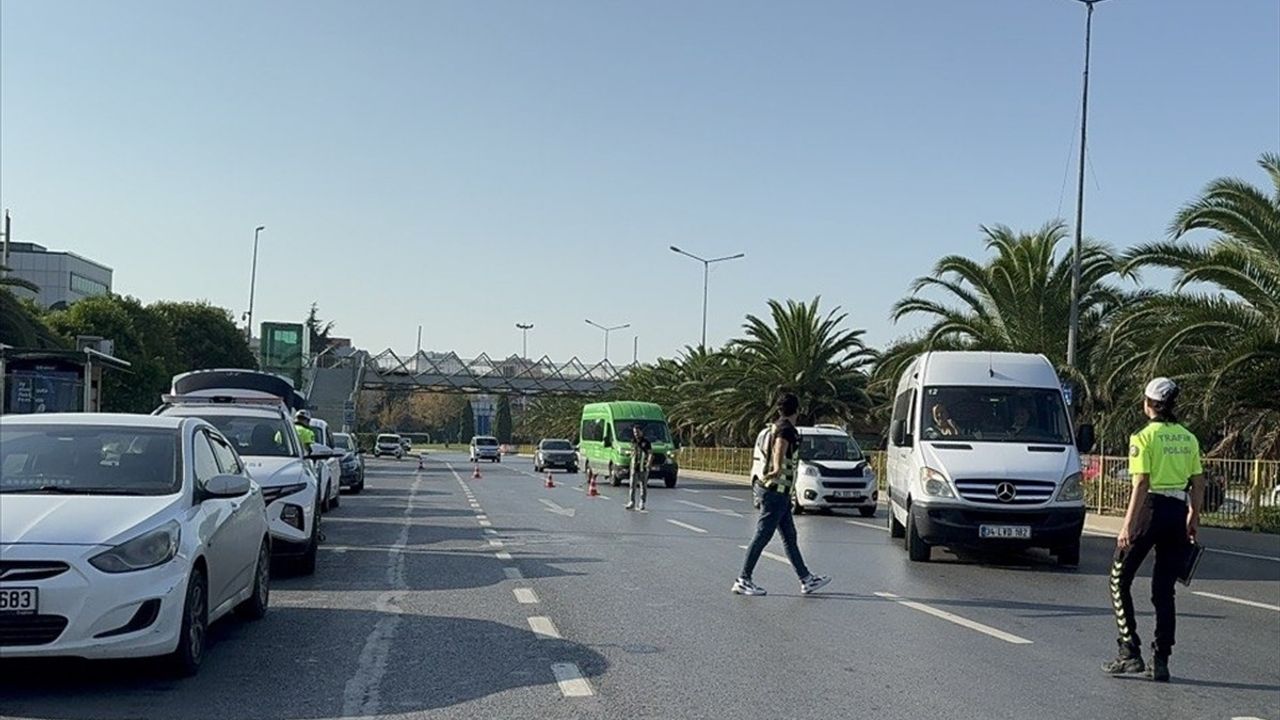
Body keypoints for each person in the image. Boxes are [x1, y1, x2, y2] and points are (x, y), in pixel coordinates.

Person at [1102, 377, 1203, 683]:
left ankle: (1129, 651)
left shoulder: (1143, 437)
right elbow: (1198, 482)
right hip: (1176, 513)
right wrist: (1193, 516)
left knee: (1119, 579)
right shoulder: (1188, 438)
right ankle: (1161, 660)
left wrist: (1127, 525)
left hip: (1150, 511)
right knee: (1164, 591)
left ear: (1148, 404)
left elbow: (1141, 483)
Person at [733, 392, 830, 597]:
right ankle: (743, 579)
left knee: (789, 537)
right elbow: (779, 447)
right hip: (775, 491)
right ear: (798, 409)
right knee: (763, 535)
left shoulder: (777, 426)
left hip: (781, 493)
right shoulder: (785, 429)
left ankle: (806, 579)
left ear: (779, 409)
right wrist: (777, 467)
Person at [626, 425, 652, 511]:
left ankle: (642, 502)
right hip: (634, 467)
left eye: (637, 432)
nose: (636, 434)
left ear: (641, 432)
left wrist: (648, 463)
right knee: (632, 485)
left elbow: (650, 454)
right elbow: (632, 452)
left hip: (643, 467)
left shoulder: (646, 442)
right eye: (634, 432)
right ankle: (632, 502)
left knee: (643, 486)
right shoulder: (633, 441)